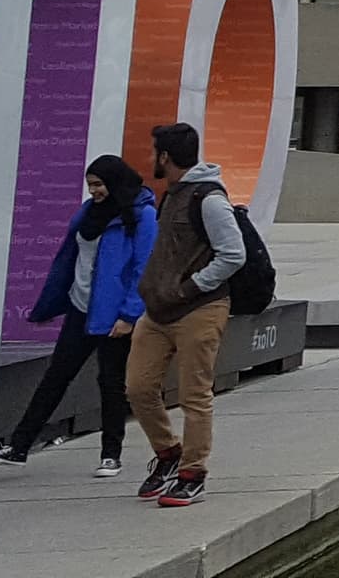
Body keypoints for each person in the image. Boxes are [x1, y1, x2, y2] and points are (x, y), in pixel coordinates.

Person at [0, 155, 157, 475]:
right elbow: (69, 259)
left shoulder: (142, 217)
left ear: (115, 182)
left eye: (99, 185)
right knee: (56, 377)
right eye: (90, 185)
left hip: (114, 317)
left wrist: (129, 315)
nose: (94, 191)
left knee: (111, 383)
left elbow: (144, 269)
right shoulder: (87, 212)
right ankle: (19, 446)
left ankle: (111, 455)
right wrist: (53, 302)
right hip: (80, 308)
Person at [127, 121, 248, 507]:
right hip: (159, 310)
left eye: (154, 152)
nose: (151, 158)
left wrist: (191, 287)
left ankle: (193, 474)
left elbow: (234, 254)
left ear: (165, 156)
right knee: (138, 387)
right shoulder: (172, 194)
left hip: (200, 308)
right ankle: (168, 453)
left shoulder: (208, 199)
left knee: (194, 395)